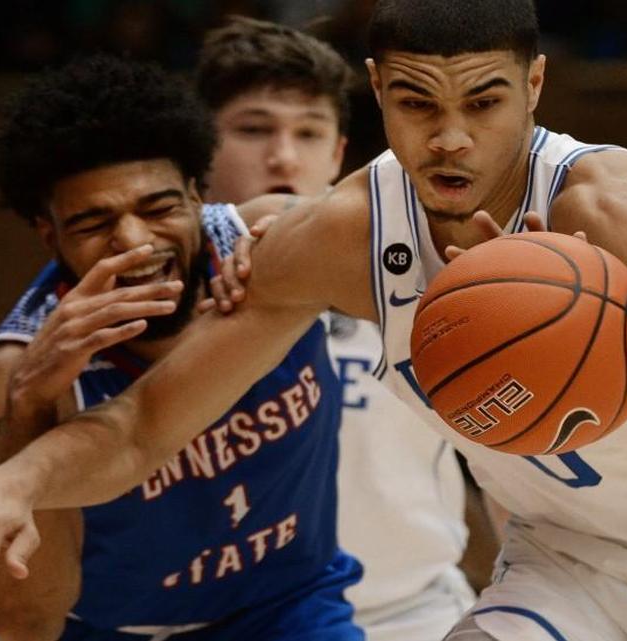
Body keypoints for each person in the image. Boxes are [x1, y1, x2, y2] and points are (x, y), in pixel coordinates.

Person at [0, 2, 627, 639]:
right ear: (376, 93)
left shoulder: (606, 204)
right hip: (569, 563)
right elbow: (148, 425)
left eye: (485, 101)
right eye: (416, 102)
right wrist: (13, 478)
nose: (449, 137)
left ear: (533, 88)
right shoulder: (338, 239)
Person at [0, 55, 362, 640]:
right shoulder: (13, 373)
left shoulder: (265, 244)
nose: (134, 243)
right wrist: (33, 406)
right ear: (49, 233)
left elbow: (394, 239)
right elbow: (26, 623)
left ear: (198, 195)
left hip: (288, 609)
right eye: (93, 222)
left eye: (159, 208)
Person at [194, 17, 475, 640]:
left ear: (339, 153)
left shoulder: (420, 256)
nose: (284, 156)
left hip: (419, 611)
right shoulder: (173, 278)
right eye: (253, 129)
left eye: (308, 132)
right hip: (239, 621)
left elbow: (515, 460)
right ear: (199, 145)